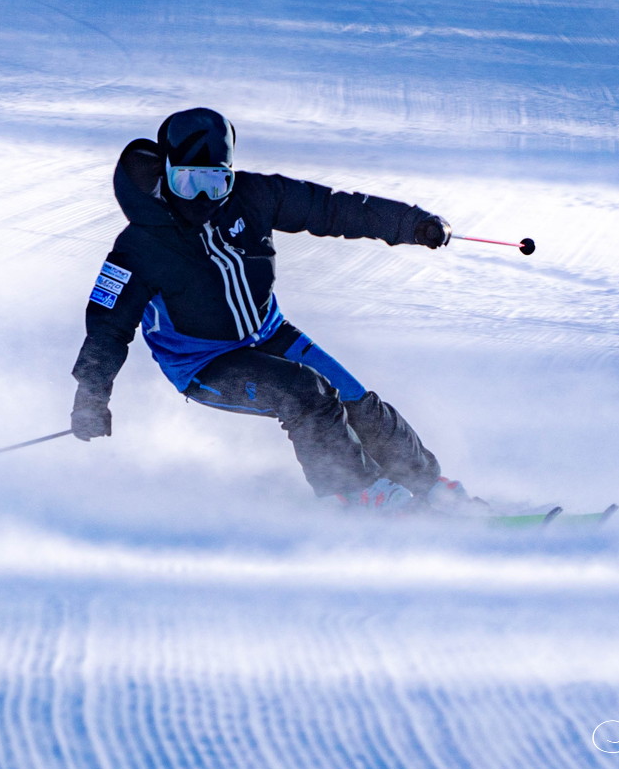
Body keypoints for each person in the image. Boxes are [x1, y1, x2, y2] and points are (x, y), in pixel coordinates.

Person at [69, 107, 473, 513]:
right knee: (306, 394)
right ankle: (357, 496)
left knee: (356, 400)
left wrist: (410, 223)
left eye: (216, 181)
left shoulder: (252, 196)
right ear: (167, 172)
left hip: (269, 331)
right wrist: (91, 396)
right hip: (203, 362)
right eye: (187, 182)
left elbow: (331, 208)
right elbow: (107, 328)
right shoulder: (138, 245)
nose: (204, 197)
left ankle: (427, 484)